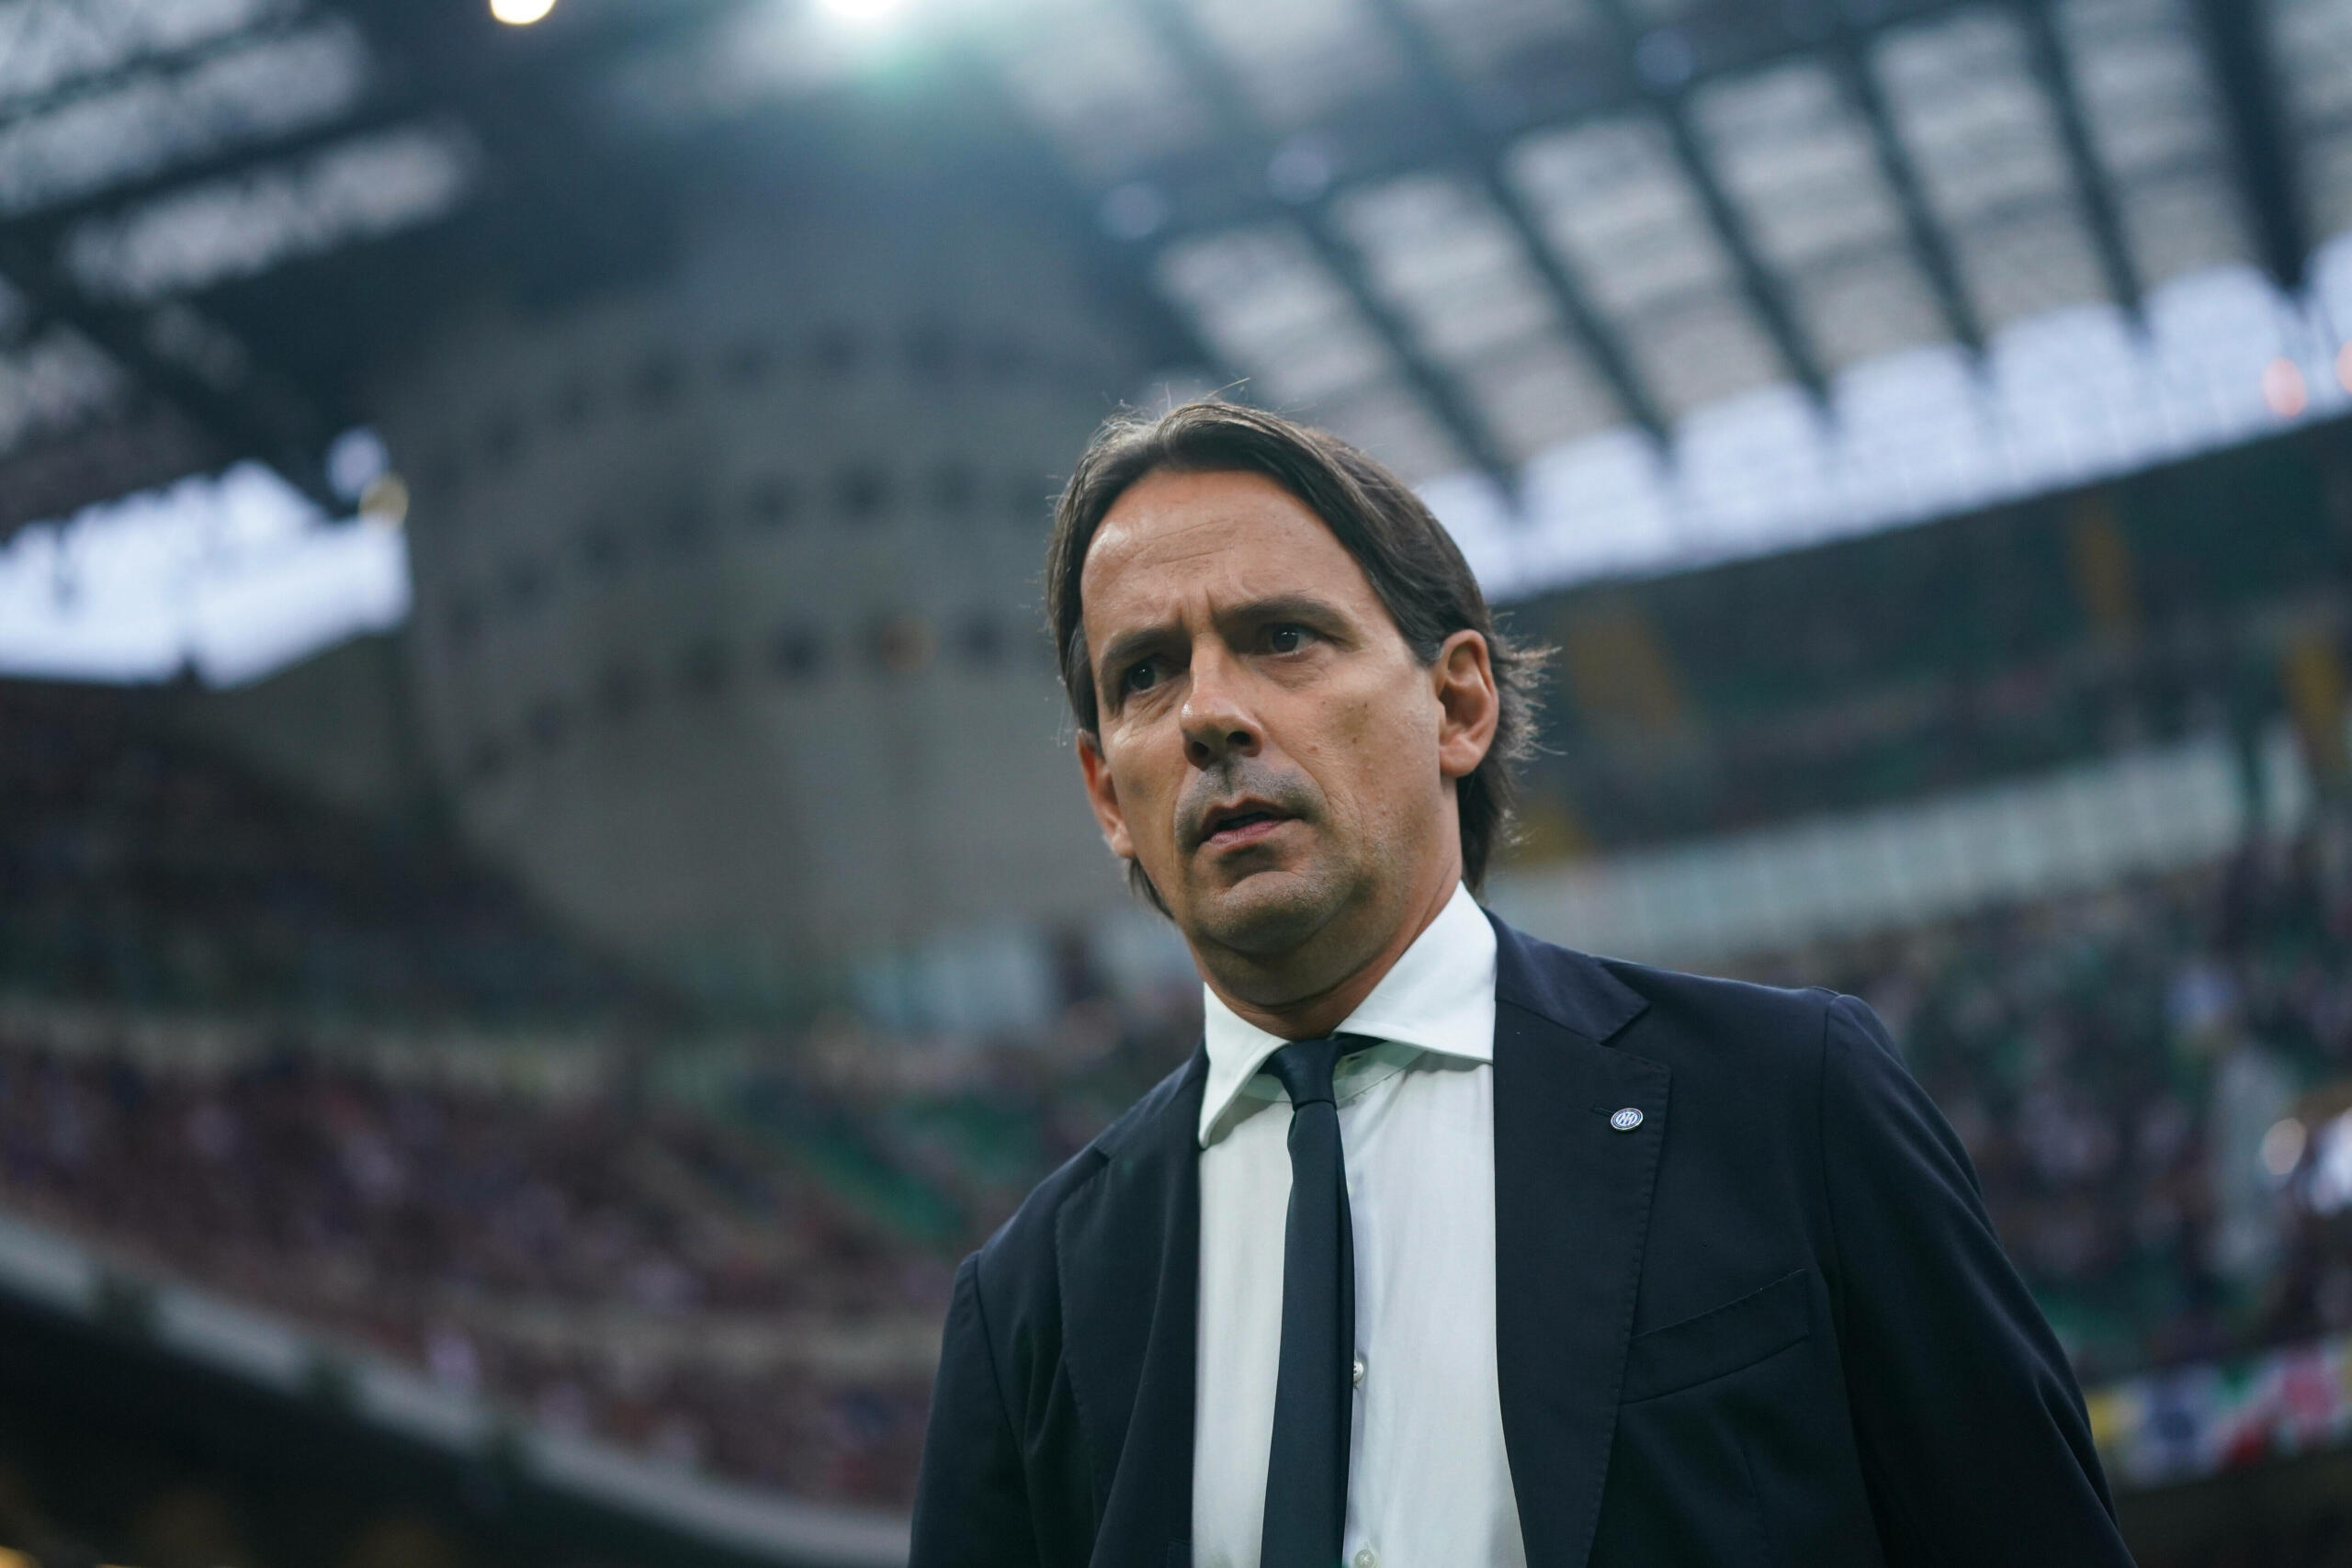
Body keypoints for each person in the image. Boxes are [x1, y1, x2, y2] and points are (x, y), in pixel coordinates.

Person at [910, 400, 2133, 1567]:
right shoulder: (1029, 1307)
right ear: (1106, 794)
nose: (1210, 714)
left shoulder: (1788, 1101)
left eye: (1282, 637)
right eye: (1146, 674)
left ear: (1458, 702)